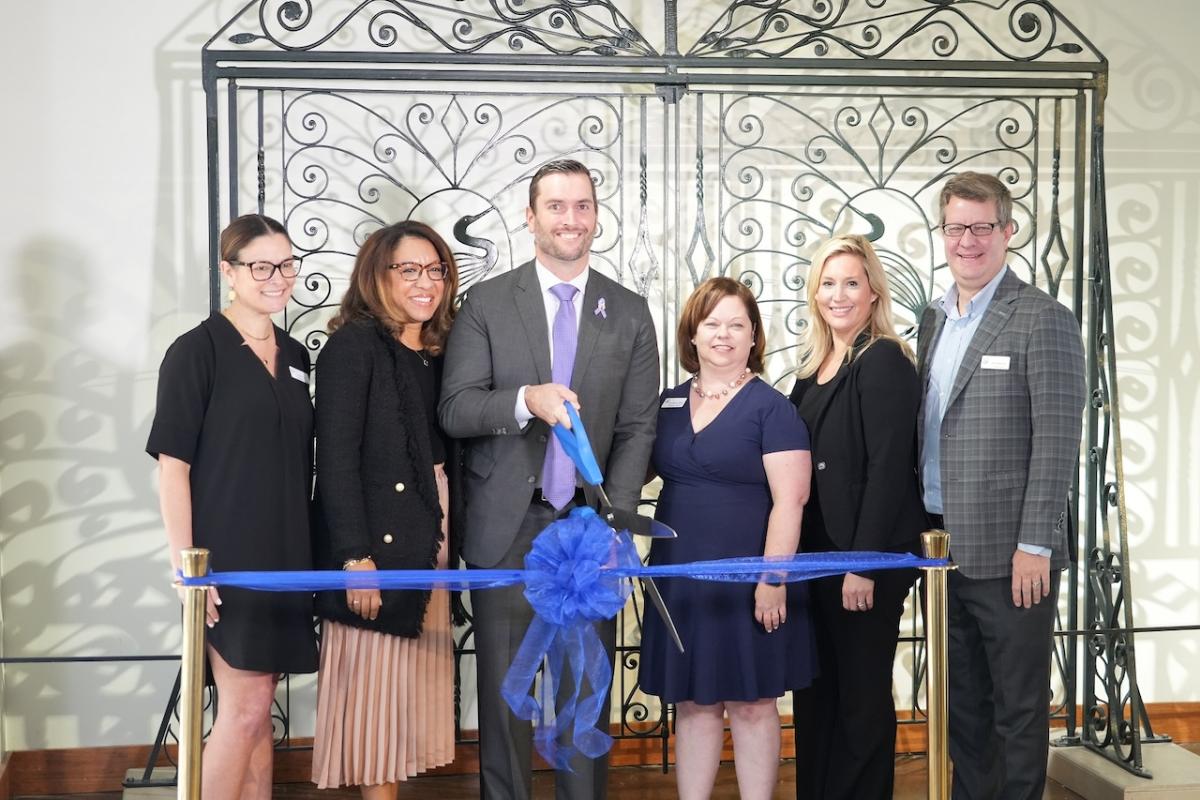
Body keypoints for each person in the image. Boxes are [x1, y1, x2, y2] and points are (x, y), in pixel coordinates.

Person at [438, 158, 659, 800]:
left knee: (583, 692)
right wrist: (524, 399)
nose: (571, 218)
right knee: (506, 691)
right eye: (556, 206)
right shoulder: (485, 302)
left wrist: (610, 522)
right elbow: (455, 408)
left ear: (596, 216)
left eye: (582, 205)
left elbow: (637, 429)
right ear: (530, 217)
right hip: (506, 527)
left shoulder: (630, 312)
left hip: (589, 533)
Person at [919, 171, 1085, 799]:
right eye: (955, 227)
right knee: (966, 709)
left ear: (1008, 232)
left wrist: (1035, 545)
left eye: (981, 227)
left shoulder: (1043, 319)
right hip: (944, 552)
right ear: (943, 234)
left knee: (1017, 710)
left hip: (1014, 557)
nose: (967, 240)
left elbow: (1057, 440)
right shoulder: (935, 320)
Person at [146, 214, 318, 800]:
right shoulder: (196, 352)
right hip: (225, 562)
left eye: (287, 264)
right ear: (229, 271)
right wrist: (187, 569)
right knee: (244, 712)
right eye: (261, 266)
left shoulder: (296, 354)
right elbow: (173, 468)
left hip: (287, 555)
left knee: (258, 712)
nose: (278, 278)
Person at [638, 277, 816, 800]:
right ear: (691, 333)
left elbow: (792, 500)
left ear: (754, 336)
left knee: (753, 702)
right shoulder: (666, 403)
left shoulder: (772, 408)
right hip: (681, 576)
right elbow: (630, 473)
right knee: (693, 701)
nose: (724, 335)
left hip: (750, 577)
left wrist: (773, 579)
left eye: (737, 324)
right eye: (712, 323)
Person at [309, 221, 461, 796]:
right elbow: (337, 463)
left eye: (437, 270)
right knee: (376, 698)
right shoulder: (352, 348)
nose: (427, 283)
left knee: (406, 699)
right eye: (411, 270)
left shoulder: (438, 352)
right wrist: (355, 557)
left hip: (433, 527)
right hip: (379, 539)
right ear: (379, 274)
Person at [787, 235, 926, 800]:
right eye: (828, 282)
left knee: (861, 698)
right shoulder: (811, 367)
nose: (838, 295)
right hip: (814, 558)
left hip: (862, 559)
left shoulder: (884, 359)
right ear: (813, 292)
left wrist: (863, 564)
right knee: (818, 695)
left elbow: (889, 469)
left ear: (873, 292)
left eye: (851, 282)